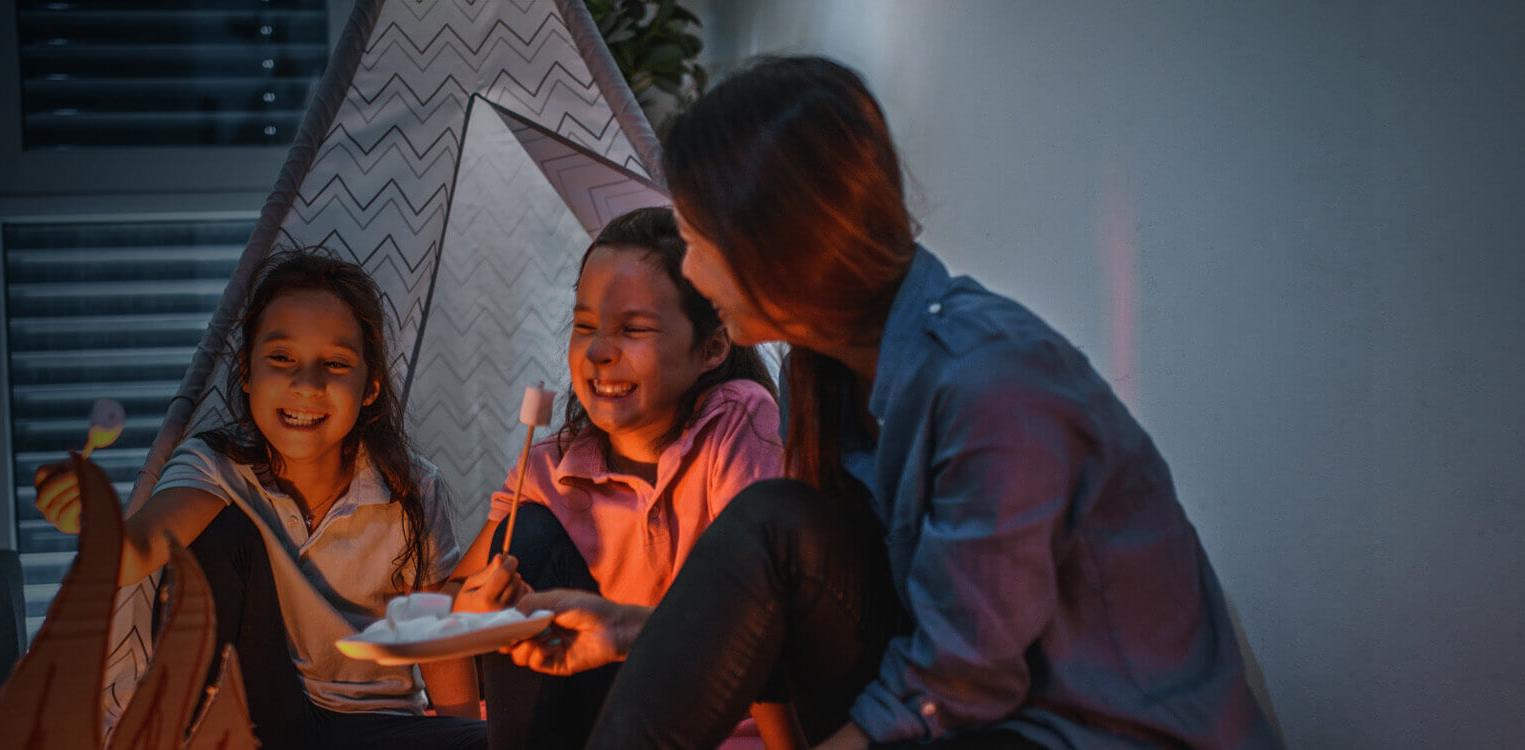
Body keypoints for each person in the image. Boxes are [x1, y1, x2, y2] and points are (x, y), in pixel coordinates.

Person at [504, 56, 1281, 750]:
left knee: (782, 527)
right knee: (779, 524)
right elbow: (843, 625)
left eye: (698, 242)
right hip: (989, 711)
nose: (695, 273)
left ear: (777, 240)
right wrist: (641, 631)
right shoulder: (831, 378)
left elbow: (959, 681)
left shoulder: (993, 381)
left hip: (1095, 729)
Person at [31, 251, 485, 749]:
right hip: (257, 717)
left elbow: (437, 638)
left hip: (373, 725)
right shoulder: (213, 465)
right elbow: (138, 549)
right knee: (223, 534)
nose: (306, 384)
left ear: (370, 386)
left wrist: (464, 732)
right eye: (282, 359)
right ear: (246, 372)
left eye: (335, 364)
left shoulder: (411, 488)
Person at [448, 206, 784, 749]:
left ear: (713, 347)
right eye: (585, 326)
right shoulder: (549, 467)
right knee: (527, 532)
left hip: (719, 730)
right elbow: (451, 598)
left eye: (634, 329)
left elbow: (763, 618)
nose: (600, 351)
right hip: (605, 723)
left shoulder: (734, 422)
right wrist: (477, 609)